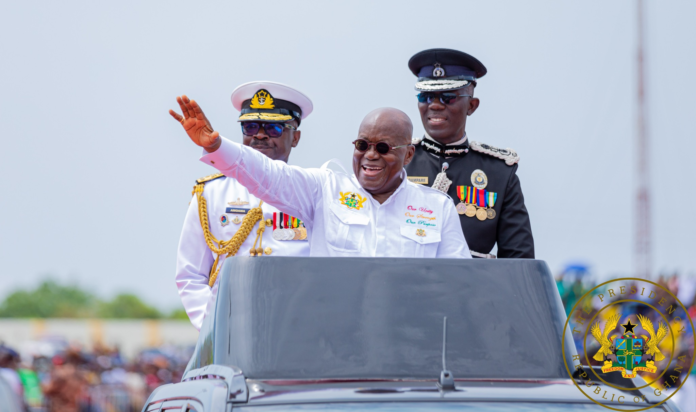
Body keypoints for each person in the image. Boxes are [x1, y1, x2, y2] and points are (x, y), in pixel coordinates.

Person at [174, 96, 471, 258]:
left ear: (408, 155)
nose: (370, 155)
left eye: (383, 148)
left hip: (408, 342)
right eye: (362, 145)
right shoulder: (324, 190)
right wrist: (217, 146)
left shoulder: (437, 208)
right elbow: (267, 175)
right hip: (332, 343)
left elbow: (459, 285)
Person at [170, 81, 313, 330]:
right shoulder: (211, 193)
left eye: (274, 128)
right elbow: (190, 274)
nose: (259, 135)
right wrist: (213, 326)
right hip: (230, 329)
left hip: (296, 327)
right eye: (250, 126)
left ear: (296, 137)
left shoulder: (312, 193)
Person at [404, 48, 534, 259]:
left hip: (471, 280)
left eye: (448, 97)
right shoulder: (398, 161)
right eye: (425, 96)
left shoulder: (499, 173)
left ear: (472, 106)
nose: (434, 105)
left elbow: (519, 260)